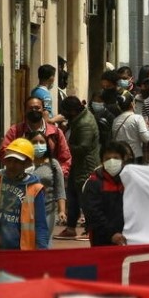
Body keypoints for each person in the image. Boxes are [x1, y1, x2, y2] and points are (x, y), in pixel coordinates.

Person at [55, 96, 101, 240]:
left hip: (86, 165)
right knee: (73, 196)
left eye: (66, 112)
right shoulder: (79, 119)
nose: (64, 115)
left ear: (73, 111)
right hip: (78, 164)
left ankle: (90, 229)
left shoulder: (84, 124)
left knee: (84, 198)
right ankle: (70, 228)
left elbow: (83, 148)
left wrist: (65, 147)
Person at [0, 97, 72, 177]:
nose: (34, 110)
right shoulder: (15, 131)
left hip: (47, 182)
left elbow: (65, 158)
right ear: (25, 110)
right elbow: (3, 153)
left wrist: (58, 175)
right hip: (21, 180)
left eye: (37, 108)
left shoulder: (56, 132)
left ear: (43, 110)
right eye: (30, 108)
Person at [0, 138, 48, 249]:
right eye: (9, 160)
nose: (11, 165)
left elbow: (41, 225)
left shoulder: (35, 189)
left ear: (27, 163)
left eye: (17, 161)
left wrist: (43, 254)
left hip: (20, 251)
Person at [81, 141, 131, 247]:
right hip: (102, 240)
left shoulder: (130, 181)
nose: (112, 161)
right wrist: (111, 234)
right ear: (102, 161)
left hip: (127, 238)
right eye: (107, 159)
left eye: (116, 158)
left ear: (123, 160)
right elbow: (93, 213)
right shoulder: (94, 183)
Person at [27, 131, 66, 244]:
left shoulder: (53, 164)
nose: (38, 145)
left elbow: (60, 190)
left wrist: (62, 211)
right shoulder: (24, 165)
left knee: (44, 243)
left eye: (41, 142)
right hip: (27, 212)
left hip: (48, 211)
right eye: (34, 142)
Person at [111, 91, 149, 165]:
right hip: (135, 156)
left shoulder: (115, 120)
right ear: (132, 104)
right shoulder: (137, 118)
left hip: (120, 155)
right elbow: (145, 138)